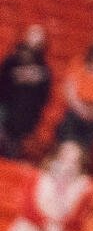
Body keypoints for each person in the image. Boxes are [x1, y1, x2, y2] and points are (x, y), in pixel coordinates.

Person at [4, 139, 92, 231]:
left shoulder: (84, 188)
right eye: (64, 159)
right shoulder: (37, 177)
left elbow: (77, 221)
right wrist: (45, 225)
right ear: (55, 158)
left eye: (74, 161)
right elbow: (27, 207)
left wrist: (61, 230)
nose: (68, 165)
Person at [0, 25, 53, 156]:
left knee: (10, 155)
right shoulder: (11, 61)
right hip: (4, 114)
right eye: (32, 36)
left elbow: (44, 99)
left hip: (23, 122)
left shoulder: (44, 71)